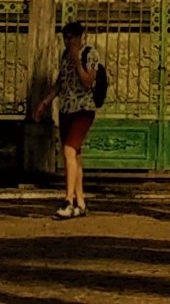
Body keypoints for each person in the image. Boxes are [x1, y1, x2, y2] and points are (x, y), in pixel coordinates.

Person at [48, 16, 112, 218]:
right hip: (66, 109)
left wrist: (77, 60)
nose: (68, 42)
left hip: (83, 109)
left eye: (71, 38)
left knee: (68, 151)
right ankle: (80, 201)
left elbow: (87, 82)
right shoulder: (64, 56)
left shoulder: (89, 54)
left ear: (79, 37)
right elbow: (61, 83)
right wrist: (45, 102)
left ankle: (68, 200)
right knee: (74, 155)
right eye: (65, 38)